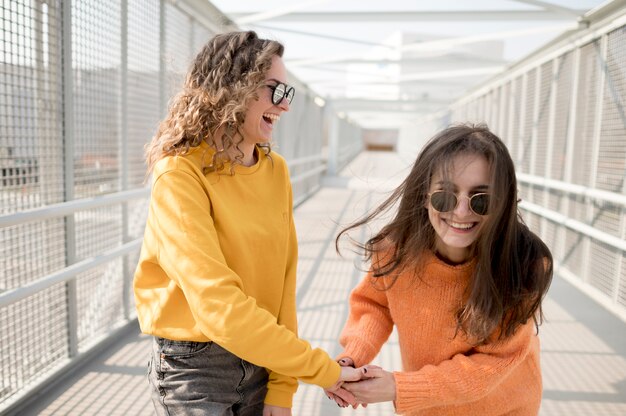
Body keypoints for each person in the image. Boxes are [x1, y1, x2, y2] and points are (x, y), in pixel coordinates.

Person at [133, 31, 367, 416]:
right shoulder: (178, 174)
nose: (285, 107)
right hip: (195, 372)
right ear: (232, 88)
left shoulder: (276, 171)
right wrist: (322, 371)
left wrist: (282, 387)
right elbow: (218, 305)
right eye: (276, 91)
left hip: (263, 358)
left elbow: (282, 288)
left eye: (288, 94)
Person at [326, 124, 553, 415]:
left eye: (480, 199)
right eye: (444, 196)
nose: (460, 212)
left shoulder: (523, 265)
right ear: (424, 195)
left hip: (505, 408)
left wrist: (398, 387)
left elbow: (494, 362)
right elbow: (375, 304)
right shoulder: (394, 251)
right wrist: (354, 357)